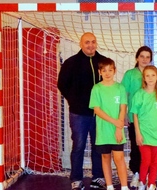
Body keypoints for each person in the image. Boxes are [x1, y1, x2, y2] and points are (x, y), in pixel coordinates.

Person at [57, 32, 106, 190]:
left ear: (96, 43)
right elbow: (62, 84)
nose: (90, 45)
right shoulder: (71, 63)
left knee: (98, 146)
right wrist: (74, 101)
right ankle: (76, 178)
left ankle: (98, 177)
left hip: (99, 114)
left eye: (93, 42)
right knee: (78, 146)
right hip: (79, 114)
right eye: (87, 42)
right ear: (81, 44)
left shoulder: (103, 62)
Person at [89, 57, 129, 190]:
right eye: (104, 70)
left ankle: (124, 186)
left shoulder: (120, 88)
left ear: (115, 71)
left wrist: (119, 127)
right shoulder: (96, 88)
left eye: (110, 70)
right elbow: (97, 110)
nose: (107, 73)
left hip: (117, 130)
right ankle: (110, 186)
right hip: (103, 130)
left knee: (119, 158)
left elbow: (123, 108)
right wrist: (115, 122)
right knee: (105, 157)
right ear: (99, 72)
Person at [130, 65, 157, 190]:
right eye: (147, 75)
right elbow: (135, 115)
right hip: (144, 133)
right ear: (144, 78)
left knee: (154, 161)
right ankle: (142, 181)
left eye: (153, 75)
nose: (150, 78)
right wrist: (138, 133)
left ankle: (152, 183)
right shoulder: (139, 94)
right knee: (145, 160)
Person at [121, 46, 153, 188]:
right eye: (142, 56)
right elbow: (123, 95)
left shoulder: (153, 74)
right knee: (136, 147)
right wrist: (124, 115)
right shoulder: (130, 74)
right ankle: (136, 174)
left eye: (147, 57)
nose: (145, 59)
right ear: (137, 58)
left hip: (150, 119)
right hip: (134, 118)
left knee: (150, 148)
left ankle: (147, 176)